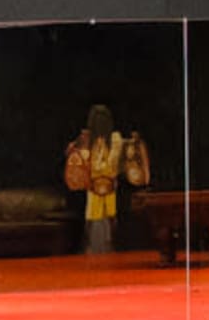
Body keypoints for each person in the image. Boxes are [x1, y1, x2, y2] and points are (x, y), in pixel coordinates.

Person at [62, 105, 152, 257]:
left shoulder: (114, 141)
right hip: (93, 190)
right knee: (97, 223)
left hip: (110, 190)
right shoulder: (89, 141)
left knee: (107, 223)